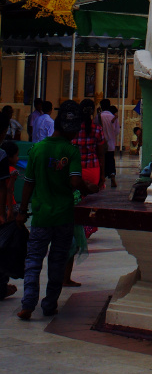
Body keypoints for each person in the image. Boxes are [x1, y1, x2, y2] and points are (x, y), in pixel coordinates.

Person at [16, 100, 87, 320]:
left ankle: (28, 303)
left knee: (33, 260)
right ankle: (49, 304)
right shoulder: (71, 151)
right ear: (71, 130)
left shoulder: (38, 149)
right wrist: (88, 188)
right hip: (63, 215)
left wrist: (22, 210)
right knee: (57, 260)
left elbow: (29, 183)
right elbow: (75, 182)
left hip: (41, 215)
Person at [0, 140, 20, 301]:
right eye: (17, 155)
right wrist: (9, 212)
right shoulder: (11, 171)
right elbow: (8, 190)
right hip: (7, 211)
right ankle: (2, 286)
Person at [98, 100, 121, 190]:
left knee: (101, 161)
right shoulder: (113, 117)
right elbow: (117, 131)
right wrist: (111, 136)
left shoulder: (99, 116)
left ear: (101, 106)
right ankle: (112, 177)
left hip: (101, 144)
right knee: (111, 161)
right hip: (111, 144)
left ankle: (101, 179)